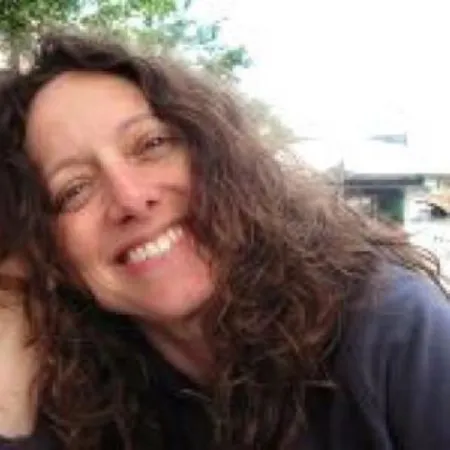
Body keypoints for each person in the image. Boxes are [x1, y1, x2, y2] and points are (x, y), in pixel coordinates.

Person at [1, 32, 450, 450]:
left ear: (221, 159)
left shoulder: (394, 335)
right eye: (74, 190)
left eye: (151, 144)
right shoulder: (88, 409)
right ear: (45, 252)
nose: (130, 199)